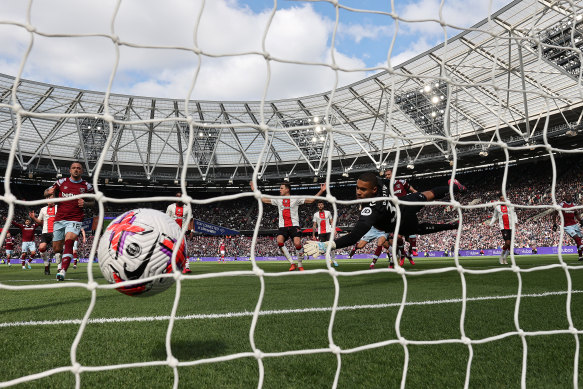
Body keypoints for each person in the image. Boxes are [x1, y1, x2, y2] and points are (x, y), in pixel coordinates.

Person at [304, 172, 466, 267]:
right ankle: (452, 214)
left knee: (426, 200)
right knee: (423, 213)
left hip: (402, 213)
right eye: (357, 188)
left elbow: (354, 236)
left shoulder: (371, 210)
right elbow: (386, 181)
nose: (358, 192)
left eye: (362, 189)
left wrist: (328, 245)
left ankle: (455, 191)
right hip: (402, 212)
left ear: (373, 189)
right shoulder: (380, 185)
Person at [251, 181, 325, 271]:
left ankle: (300, 265)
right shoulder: (278, 199)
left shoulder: (295, 198)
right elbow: (264, 200)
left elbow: (311, 200)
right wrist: (254, 190)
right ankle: (292, 263)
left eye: (281, 188)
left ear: (287, 189)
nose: (280, 190)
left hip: (294, 226)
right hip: (283, 227)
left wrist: (321, 191)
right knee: (279, 241)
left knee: (297, 243)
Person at [44, 161, 95, 281]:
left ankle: (63, 271)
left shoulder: (87, 186)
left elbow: (94, 202)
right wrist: (48, 192)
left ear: (82, 171)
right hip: (60, 219)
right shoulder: (61, 182)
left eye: (78, 168)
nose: (76, 170)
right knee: (57, 248)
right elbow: (46, 192)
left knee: (69, 241)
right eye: (74, 168)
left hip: (75, 219)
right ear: (70, 170)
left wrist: (85, 203)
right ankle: (59, 259)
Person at [29, 194, 59, 275]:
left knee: (57, 250)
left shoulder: (58, 208)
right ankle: (46, 265)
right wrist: (33, 218)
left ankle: (59, 268)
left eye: (51, 198)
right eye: (48, 198)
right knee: (41, 248)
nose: (49, 200)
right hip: (45, 232)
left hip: (56, 232)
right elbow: (39, 221)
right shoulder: (43, 209)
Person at [166, 191, 192, 274]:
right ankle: (169, 267)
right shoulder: (170, 207)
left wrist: (191, 231)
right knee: (170, 249)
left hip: (182, 232)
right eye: (177, 196)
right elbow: (166, 219)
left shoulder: (187, 208)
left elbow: (190, 220)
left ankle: (187, 266)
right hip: (172, 232)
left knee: (185, 248)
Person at [489, 193, 518, 265]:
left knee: (510, 245)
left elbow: (514, 214)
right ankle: (501, 256)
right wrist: (490, 224)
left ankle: (505, 258)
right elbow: (495, 216)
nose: (502, 199)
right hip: (503, 227)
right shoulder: (497, 207)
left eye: (503, 198)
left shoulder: (510, 206)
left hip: (511, 226)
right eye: (501, 199)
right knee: (507, 242)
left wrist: (516, 222)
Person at [553, 192, 583, 261]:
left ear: (571, 197)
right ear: (565, 197)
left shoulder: (573, 205)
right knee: (577, 239)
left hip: (574, 224)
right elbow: (555, 213)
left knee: (579, 241)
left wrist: (581, 221)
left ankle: (580, 256)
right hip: (567, 225)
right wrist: (554, 223)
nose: (568, 197)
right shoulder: (562, 204)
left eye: (570, 196)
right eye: (567, 196)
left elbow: (576, 214)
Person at [312, 201, 338, 267]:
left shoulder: (328, 212)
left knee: (331, 246)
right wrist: (313, 235)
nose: (320, 206)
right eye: (319, 205)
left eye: (321, 204)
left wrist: (334, 229)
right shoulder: (315, 214)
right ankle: (329, 260)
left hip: (329, 231)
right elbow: (314, 225)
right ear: (317, 206)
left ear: (323, 205)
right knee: (324, 248)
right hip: (321, 233)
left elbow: (331, 222)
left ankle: (334, 259)